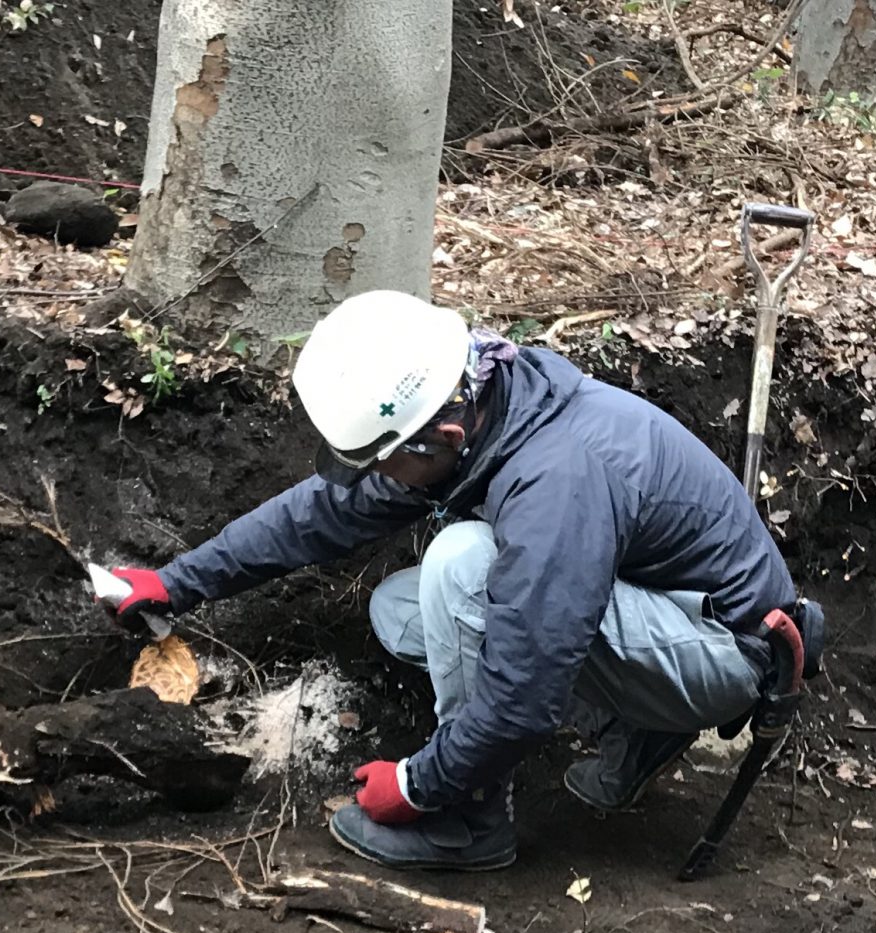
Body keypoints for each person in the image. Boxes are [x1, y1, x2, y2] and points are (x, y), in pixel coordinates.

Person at [103, 290, 822, 871]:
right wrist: (177, 583)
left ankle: (469, 823)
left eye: (387, 463)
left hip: (727, 651)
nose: (381, 481)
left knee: (462, 566)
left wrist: (420, 786)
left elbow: (527, 689)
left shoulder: (555, 477)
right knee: (406, 611)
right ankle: (632, 726)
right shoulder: (485, 409)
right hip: (667, 613)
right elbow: (325, 512)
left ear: (441, 438)